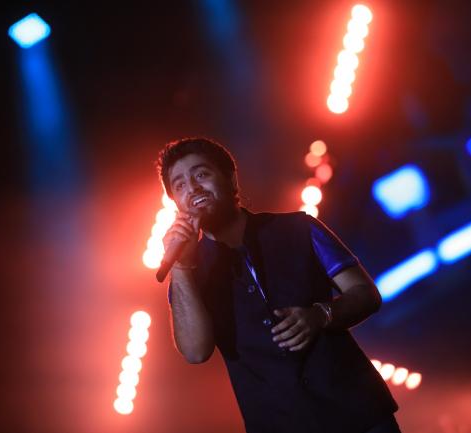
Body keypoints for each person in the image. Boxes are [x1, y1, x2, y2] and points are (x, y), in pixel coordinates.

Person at [158, 137, 401, 433]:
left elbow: (366, 294)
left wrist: (320, 315)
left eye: (201, 174)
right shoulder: (188, 274)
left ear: (231, 180)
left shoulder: (299, 228)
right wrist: (182, 266)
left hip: (359, 412)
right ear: (175, 203)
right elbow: (195, 352)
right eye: (180, 185)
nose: (193, 188)